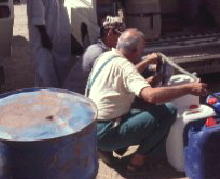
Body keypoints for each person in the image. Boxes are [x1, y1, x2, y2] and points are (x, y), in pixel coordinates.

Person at [86, 29, 207, 174]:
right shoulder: (126, 67)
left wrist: (146, 64)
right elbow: (151, 96)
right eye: (142, 49)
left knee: (140, 109)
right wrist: (188, 88)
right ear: (135, 50)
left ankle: (112, 147)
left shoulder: (106, 56)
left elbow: (124, 75)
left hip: (90, 128)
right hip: (106, 131)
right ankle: (137, 160)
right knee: (168, 111)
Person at [62, 16, 125, 94]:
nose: (122, 41)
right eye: (121, 37)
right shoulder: (98, 53)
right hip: (75, 99)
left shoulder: (99, 49)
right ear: (110, 34)